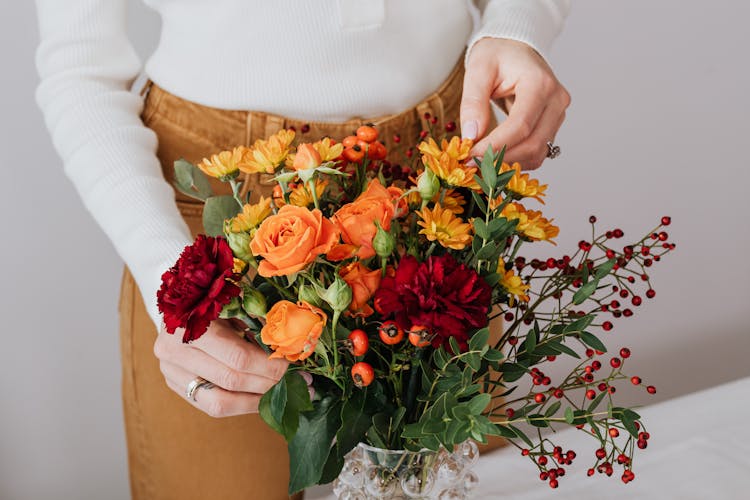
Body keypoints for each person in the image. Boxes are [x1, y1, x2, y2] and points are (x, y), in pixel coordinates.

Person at [34, 1, 571, 498]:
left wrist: (518, 27)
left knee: (448, 482)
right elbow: (80, 71)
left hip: (435, 187)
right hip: (220, 215)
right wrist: (170, 278)